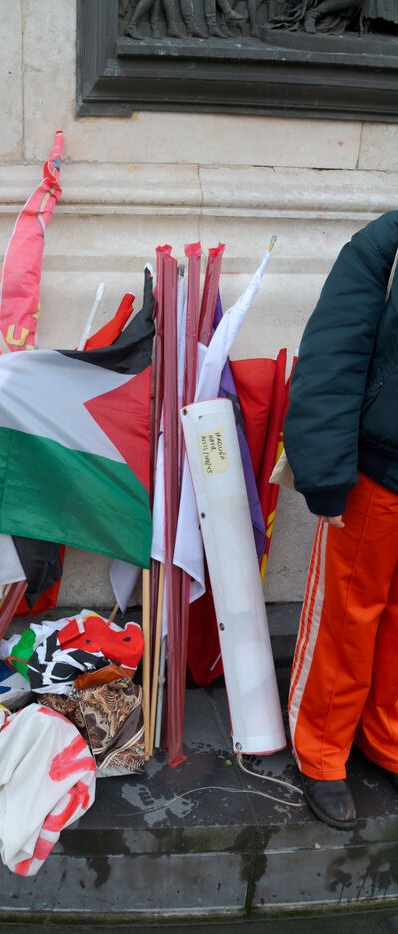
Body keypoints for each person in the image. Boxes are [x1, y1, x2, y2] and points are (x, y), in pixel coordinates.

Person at [283, 211, 398, 829]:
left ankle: (388, 739)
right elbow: (333, 352)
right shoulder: (386, 243)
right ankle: (323, 752)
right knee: (346, 617)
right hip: (379, 473)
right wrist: (325, 472)